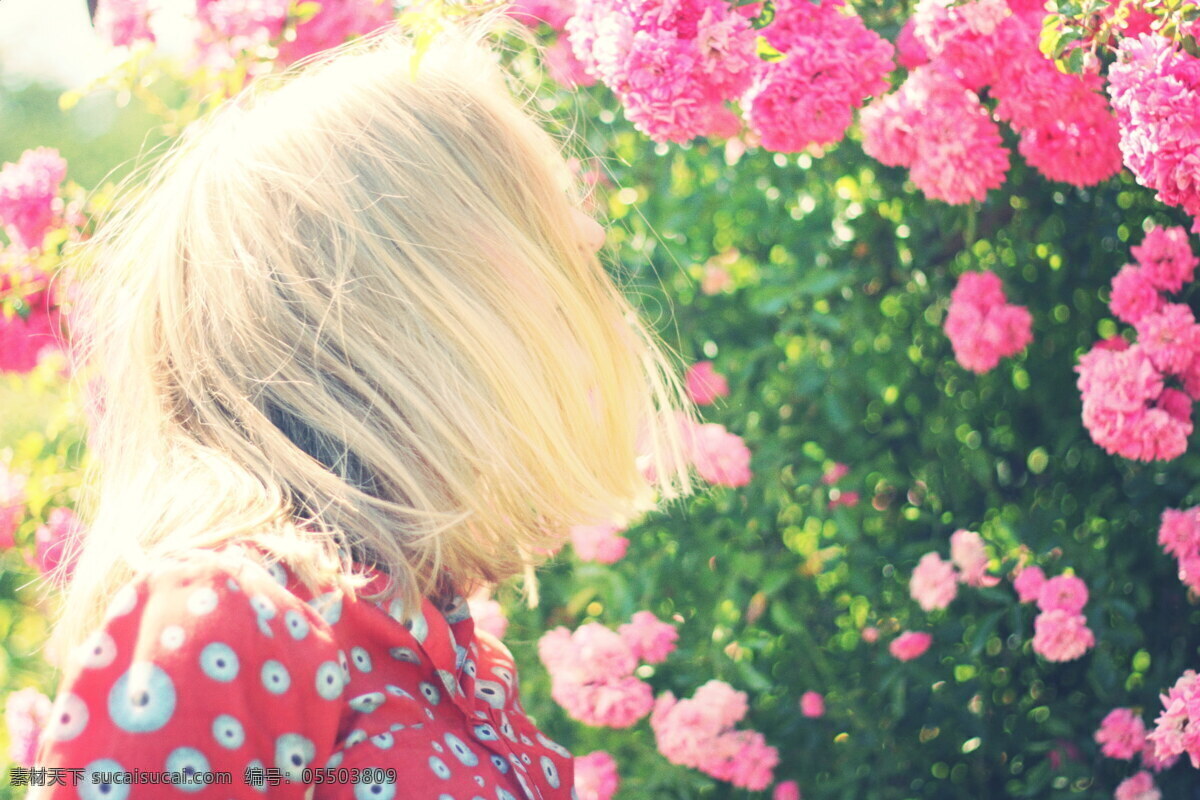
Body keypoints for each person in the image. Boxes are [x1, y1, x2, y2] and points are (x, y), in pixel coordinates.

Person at [29, 7, 702, 799]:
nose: (586, 233)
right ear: (401, 289)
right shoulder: (228, 619)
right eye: (530, 207)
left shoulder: (435, 636)